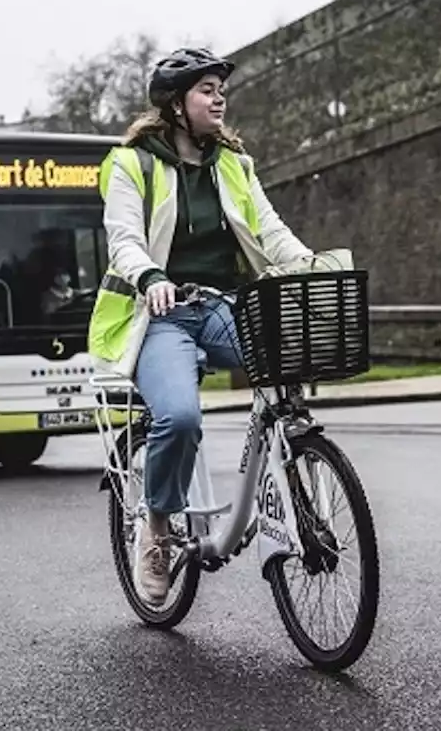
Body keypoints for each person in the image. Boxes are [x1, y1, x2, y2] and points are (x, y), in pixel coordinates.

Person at [87, 47, 313, 605]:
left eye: (220, 89)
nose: (219, 98)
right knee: (181, 418)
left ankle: (287, 471)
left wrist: (310, 263)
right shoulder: (131, 163)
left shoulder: (234, 164)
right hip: (158, 314)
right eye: (206, 90)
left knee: (285, 366)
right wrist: (150, 277)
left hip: (221, 306)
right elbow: (124, 241)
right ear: (176, 105)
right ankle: (158, 529)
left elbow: (270, 230)